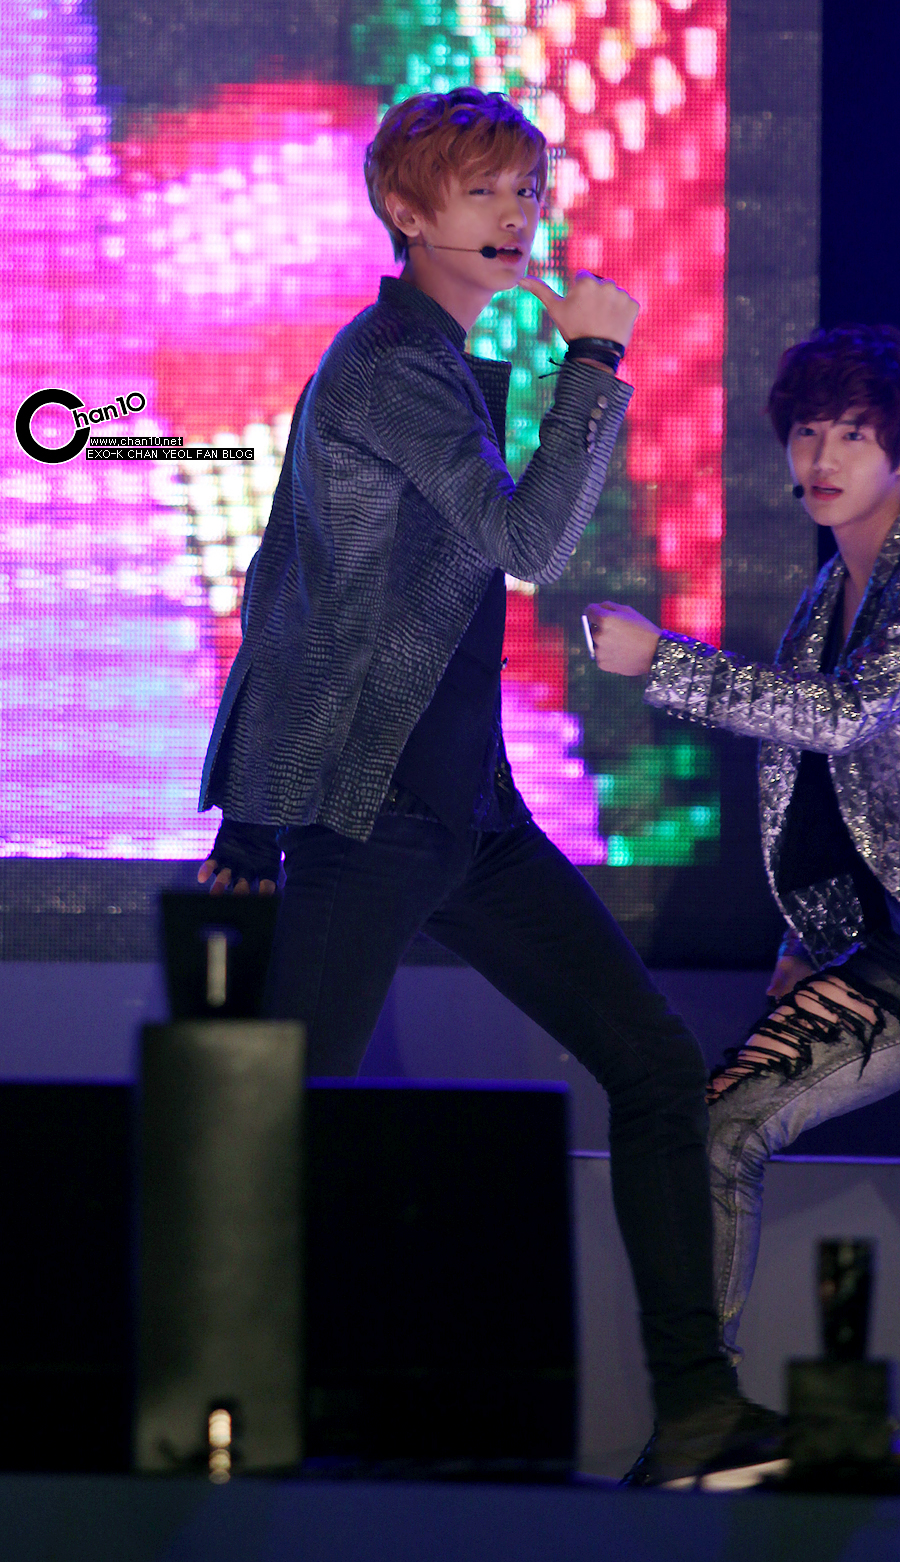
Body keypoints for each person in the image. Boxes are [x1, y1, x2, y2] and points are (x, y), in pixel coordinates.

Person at [197, 86, 781, 1484]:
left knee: (653, 1064)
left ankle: (696, 1407)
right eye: (486, 191)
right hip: (376, 814)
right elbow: (524, 540)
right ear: (407, 213)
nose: (520, 213)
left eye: (528, 188)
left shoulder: (444, 361)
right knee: (282, 1122)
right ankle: (218, 1423)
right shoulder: (392, 362)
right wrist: (597, 359)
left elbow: (323, 577)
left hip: (469, 811)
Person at [587, 322, 900, 1368]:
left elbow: (841, 718)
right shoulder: (827, 592)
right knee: (719, 1127)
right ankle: (702, 1412)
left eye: (853, 433)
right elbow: (815, 786)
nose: (823, 457)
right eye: (807, 431)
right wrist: (812, 940)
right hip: (883, 954)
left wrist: (663, 662)